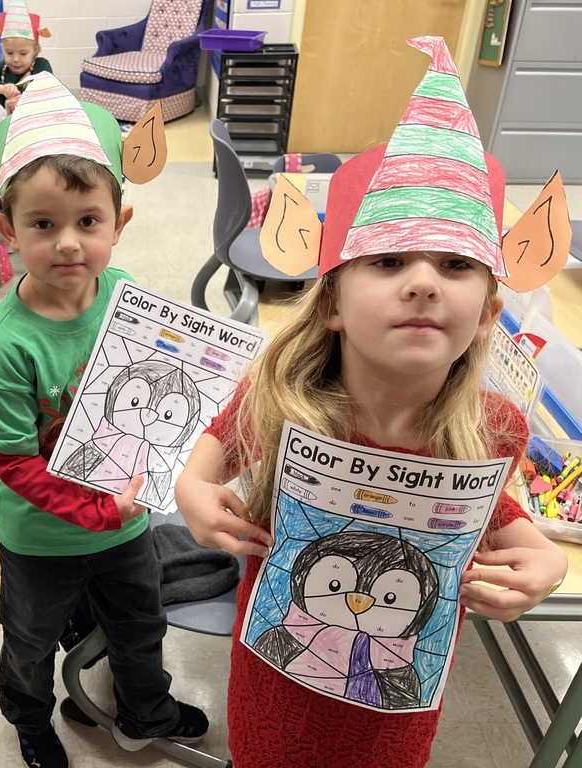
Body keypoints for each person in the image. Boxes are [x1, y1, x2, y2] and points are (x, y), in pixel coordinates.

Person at [173, 37, 569, 768]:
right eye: (387, 262)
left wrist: (543, 561)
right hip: (275, 680)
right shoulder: (282, 396)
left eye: (455, 266)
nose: (422, 282)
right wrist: (196, 495)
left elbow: (488, 512)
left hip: (396, 705)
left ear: (487, 312)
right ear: (330, 303)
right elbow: (201, 466)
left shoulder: (496, 426)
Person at [0, 73, 207, 768]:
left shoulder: (125, 295)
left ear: (119, 223)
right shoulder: (7, 344)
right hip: (43, 538)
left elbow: (168, 385)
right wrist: (97, 510)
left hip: (127, 521)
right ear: (8, 229)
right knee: (30, 641)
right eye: (43, 225)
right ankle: (31, 720)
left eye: (88, 222)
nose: (69, 243)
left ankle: (145, 710)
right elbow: (11, 462)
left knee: (140, 625)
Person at [0, 0, 52, 113]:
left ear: (35, 51)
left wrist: (25, 101)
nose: (15, 60)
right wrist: (2, 88)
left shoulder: (42, 66)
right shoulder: (4, 66)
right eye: (9, 53)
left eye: (23, 54)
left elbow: (51, 94)